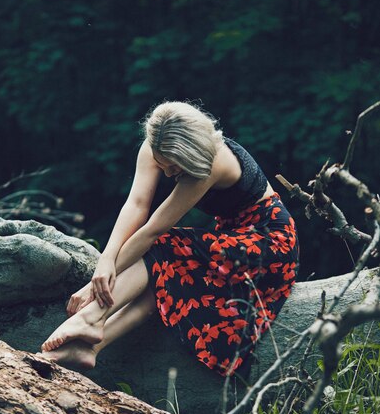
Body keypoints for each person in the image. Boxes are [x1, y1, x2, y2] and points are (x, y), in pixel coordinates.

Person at [41, 101, 299, 377]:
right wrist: (104, 262)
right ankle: (92, 347)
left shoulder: (213, 161)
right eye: (163, 165)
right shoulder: (156, 144)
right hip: (230, 236)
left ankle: (92, 318)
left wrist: (94, 294)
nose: (167, 174)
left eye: (174, 168)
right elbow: (137, 205)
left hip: (267, 244)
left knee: (164, 247)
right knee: (163, 277)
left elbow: (153, 231)